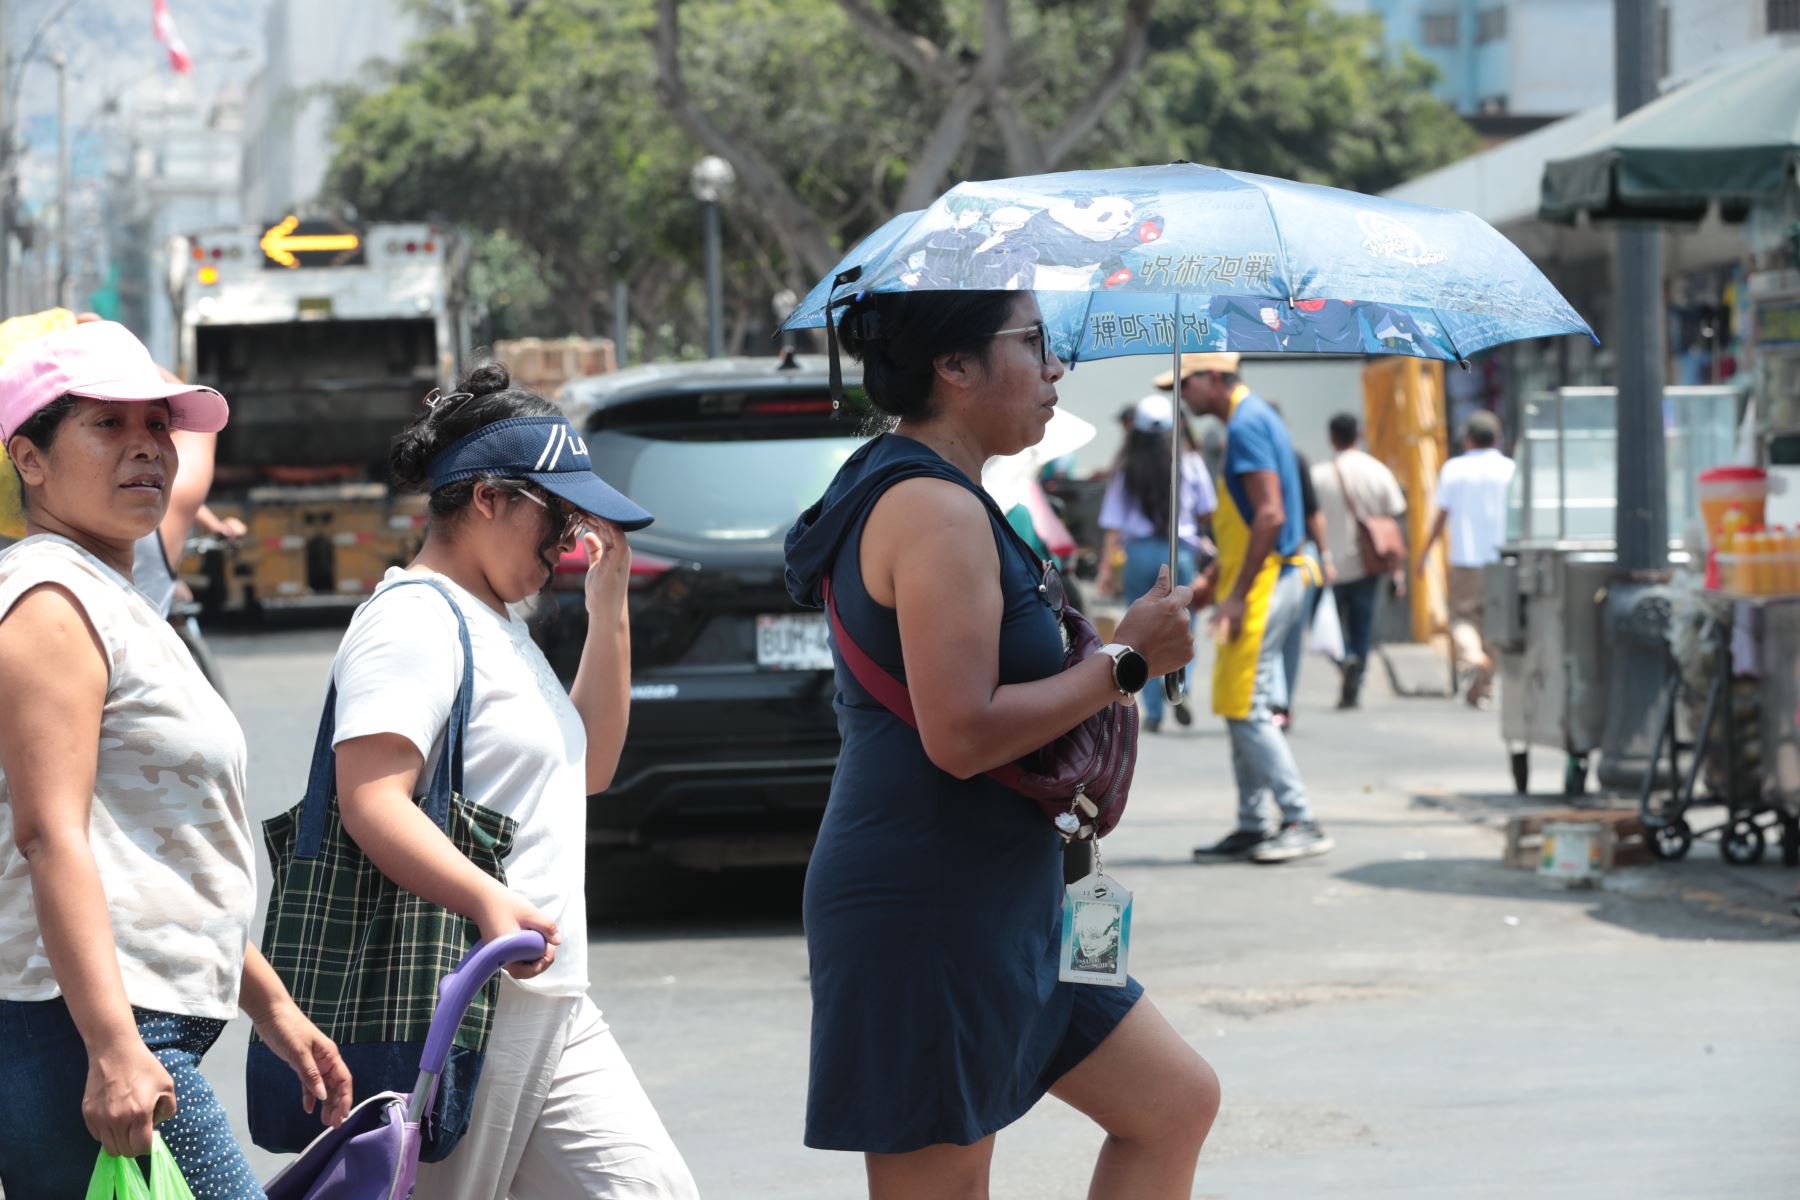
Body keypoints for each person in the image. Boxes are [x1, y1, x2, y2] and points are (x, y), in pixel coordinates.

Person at [786, 290, 1218, 1198]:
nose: (1057, 368)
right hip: (928, 906)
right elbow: (962, 733)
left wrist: (1113, 648)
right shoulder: (928, 506)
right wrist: (1128, 661)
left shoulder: (947, 494)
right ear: (954, 367)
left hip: (1008, 896)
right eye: (1034, 342)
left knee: (1173, 1103)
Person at [322, 363, 697, 1200]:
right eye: (556, 514)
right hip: (459, 1004)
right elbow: (370, 797)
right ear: (487, 497)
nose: (569, 538)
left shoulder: (496, 621)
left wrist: (611, 607)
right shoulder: (414, 618)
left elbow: (591, 765)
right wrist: (487, 903)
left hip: (554, 1002)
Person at [0, 320, 353, 1197]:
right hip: (87, 1030)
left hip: (130, 1021)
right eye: (107, 425)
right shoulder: (49, 601)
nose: (147, 449)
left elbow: (151, 851)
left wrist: (268, 1004)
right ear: (29, 458)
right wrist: (115, 1048)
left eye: (158, 425)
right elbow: (50, 836)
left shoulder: (110, 594)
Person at [1168, 353, 1333, 865]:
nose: (1182, 394)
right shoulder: (1250, 418)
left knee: (1248, 704)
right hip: (1261, 576)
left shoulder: (1247, 423)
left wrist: (1236, 594)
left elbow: (1270, 513)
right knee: (1238, 702)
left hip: (1269, 580)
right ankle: (1251, 823)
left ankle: (1299, 817)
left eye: (1187, 382)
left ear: (1215, 378)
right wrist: (1217, 582)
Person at [1095, 393, 1217, 732]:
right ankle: (1180, 688)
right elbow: (1208, 509)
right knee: (1183, 625)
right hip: (1179, 553)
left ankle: (1152, 711)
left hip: (1138, 555)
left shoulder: (1124, 467)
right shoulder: (1189, 462)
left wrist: (1106, 569)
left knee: (1141, 633)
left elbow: (1113, 525)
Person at [1416, 410, 1514, 707]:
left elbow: (1441, 516)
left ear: (1468, 439)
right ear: (1497, 438)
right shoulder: (1510, 468)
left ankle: (1471, 657)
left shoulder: (1454, 469)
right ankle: (1482, 689)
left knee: (1463, 618)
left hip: (1466, 558)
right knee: (1496, 624)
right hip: (1503, 558)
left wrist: (1425, 552)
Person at [1312, 412, 1408, 709]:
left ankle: (1343, 662)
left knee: (1323, 626)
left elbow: (1310, 518)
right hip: (1369, 563)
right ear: (1360, 434)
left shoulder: (1320, 475)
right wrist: (1398, 570)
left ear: (1331, 438)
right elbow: (1393, 520)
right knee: (1362, 625)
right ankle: (1359, 670)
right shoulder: (1377, 471)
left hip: (1328, 566)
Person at [1272, 438, 1330, 731]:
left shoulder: (1254, 456)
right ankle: (1282, 703)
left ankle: (1277, 701)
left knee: (1270, 636)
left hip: (1277, 559)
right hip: (1301, 557)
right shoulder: (1295, 457)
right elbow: (1314, 512)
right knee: (1290, 638)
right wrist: (1325, 557)